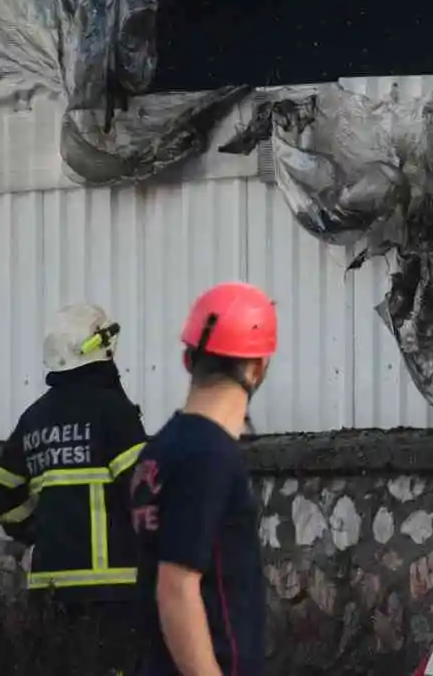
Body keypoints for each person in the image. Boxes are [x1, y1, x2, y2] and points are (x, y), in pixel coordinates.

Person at [0, 303, 147, 674]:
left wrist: (36, 530)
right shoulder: (112, 411)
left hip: (50, 591)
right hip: (112, 593)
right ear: (95, 347)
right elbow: (144, 493)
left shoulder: (34, 419)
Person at [130, 281, 279, 676]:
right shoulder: (210, 456)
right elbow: (177, 586)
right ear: (258, 366)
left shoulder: (159, 449)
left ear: (187, 360)